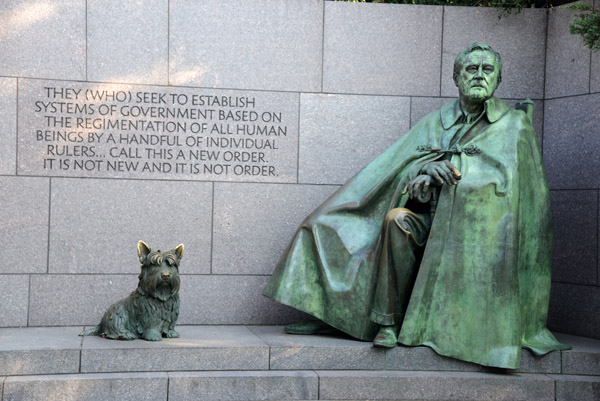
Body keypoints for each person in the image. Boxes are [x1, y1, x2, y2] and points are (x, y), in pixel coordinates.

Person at [263, 43, 569, 369]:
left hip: (470, 238)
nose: (479, 75)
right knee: (349, 222)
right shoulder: (435, 122)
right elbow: (397, 167)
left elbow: (522, 196)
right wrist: (421, 171)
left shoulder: (514, 125)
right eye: (471, 69)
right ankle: (366, 319)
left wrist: (453, 172)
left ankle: (373, 321)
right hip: (426, 221)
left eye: (487, 69)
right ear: (456, 77)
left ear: (498, 78)